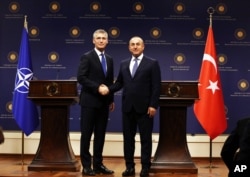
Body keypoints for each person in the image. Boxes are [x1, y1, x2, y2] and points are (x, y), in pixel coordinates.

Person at [100, 36, 161, 177]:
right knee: (128, 140)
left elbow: (156, 86)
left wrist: (153, 105)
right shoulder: (124, 63)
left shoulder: (152, 63)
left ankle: (145, 167)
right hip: (127, 108)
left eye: (138, 44)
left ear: (143, 46)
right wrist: (108, 89)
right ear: (129, 47)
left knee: (146, 139)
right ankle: (130, 167)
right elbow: (119, 83)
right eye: (132, 44)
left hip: (145, 109)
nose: (135, 47)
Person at [77, 29, 114, 176]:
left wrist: (110, 99)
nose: (101, 40)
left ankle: (98, 165)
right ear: (93, 41)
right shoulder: (87, 57)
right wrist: (97, 87)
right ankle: (86, 166)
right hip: (89, 102)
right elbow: (81, 77)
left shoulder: (110, 59)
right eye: (98, 38)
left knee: (100, 135)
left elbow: (109, 81)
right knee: (86, 135)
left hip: (104, 104)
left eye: (104, 38)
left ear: (107, 41)